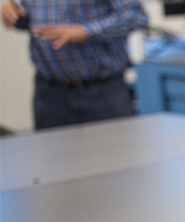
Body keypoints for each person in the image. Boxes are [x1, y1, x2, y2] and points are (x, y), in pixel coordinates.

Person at [1, 0, 147, 130]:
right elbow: (33, 21)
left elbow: (135, 17)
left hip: (102, 92)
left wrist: (85, 31)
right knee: (51, 158)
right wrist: (14, 14)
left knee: (116, 156)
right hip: (49, 94)